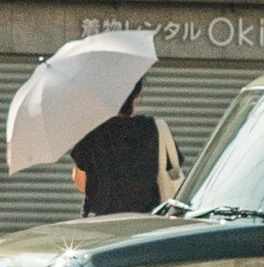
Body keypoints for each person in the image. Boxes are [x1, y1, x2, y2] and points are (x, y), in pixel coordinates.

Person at [70, 83, 181, 216]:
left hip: (101, 226)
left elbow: (82, 185)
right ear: (137, 95)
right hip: (146, 225)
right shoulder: (153, 129)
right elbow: (173, 172)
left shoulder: (90, 133)